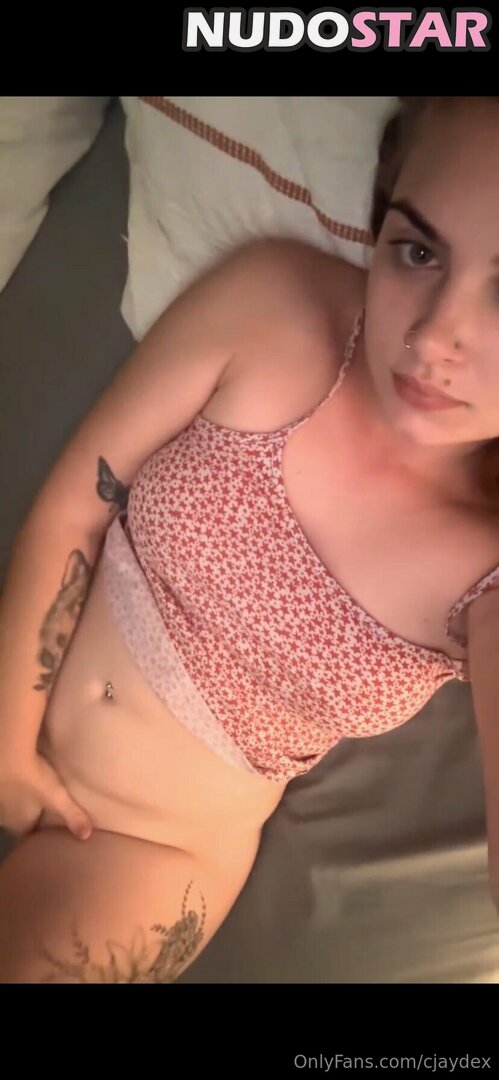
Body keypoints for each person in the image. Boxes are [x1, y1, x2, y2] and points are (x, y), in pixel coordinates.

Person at [1, 95, 499, 984]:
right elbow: (74, 508)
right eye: (417, 251)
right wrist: (7, 738)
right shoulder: (278, 302)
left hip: (141, 850)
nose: (433, 337)